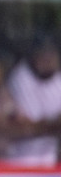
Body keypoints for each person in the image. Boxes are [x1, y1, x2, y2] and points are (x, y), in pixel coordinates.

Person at [6, 37, 61, 166]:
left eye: (52, 56)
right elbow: (31, 122)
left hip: (50, 158)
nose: (49, 61)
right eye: (44, 56)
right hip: (23, 159)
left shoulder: (57, 78)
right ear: (34, 56)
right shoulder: (21, 77)